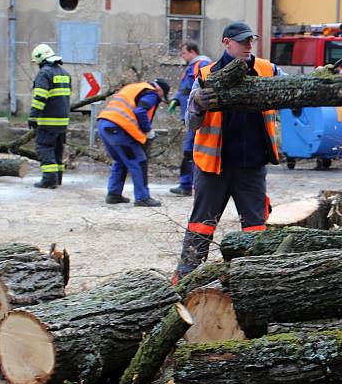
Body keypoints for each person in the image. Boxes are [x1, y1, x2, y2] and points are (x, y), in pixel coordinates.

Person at [173, 22, 283, 284]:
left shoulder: (267, 70)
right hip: (214, 166)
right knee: (201, 226)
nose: (248, 45)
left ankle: (254, 283)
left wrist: (319, 76)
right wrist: (198, 105)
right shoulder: (207, 74)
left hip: (252, 165)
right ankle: (185, 281)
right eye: (242, 41)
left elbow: (299, 89)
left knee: (255, 228)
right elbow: (190, 123)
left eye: (250, 41)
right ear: (226, 42)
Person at [96, 79, 171, 207]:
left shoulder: (134, 87)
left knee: (120, 160)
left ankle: (114, 194)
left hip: (104, 124)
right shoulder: (151, 93)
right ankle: (142, 198)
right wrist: (148, 131)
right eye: (162, 96)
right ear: (160, 90)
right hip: (119, 128)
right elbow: (140, 111)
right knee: (139, 161)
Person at [167, 42, 212, 196]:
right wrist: (176, 99)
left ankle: (188, 186)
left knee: (190, 151)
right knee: (190, 152)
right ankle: (189, 185)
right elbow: (186, 89)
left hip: (197, 116)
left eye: (184, 53)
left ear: (192, 52)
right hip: (192, 115)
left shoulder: (201, 64)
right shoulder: (194, 66)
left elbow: (196, 88)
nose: (182, 56)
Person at [29, 44, 71, 189]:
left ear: (40, 59)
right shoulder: (64, 73)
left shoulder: (44, 73)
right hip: (63, 120)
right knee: (58, 149)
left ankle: (49, 179)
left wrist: (33, 116)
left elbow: (40, 96)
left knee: (44, 147)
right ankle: (58, 178)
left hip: (48, 120)